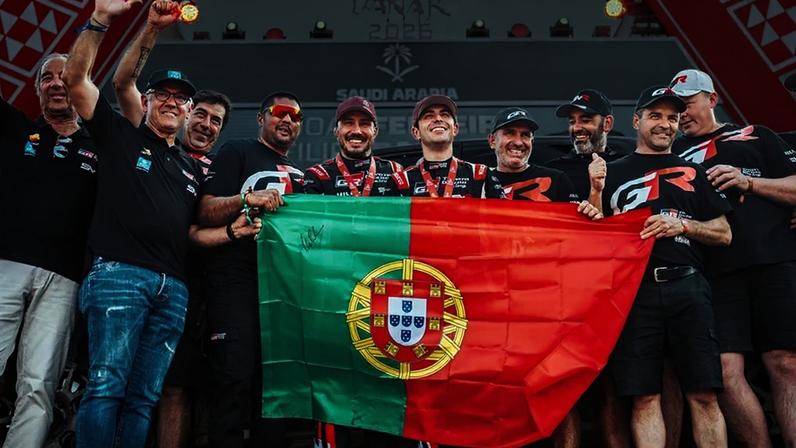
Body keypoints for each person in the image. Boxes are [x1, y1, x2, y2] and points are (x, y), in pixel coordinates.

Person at [62, 0, 211, 444]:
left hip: (174, 289)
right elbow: (77, 81)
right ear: (145, 102)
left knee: (144, 398)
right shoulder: (120, 136)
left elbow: (196, 229)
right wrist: (104, 20)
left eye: (180, 98)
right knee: (106, 387)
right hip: (119, 274)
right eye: (162, 94)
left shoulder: (191, 168)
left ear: (188, 112)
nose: (171, 102)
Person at [671, 68, 796, 447]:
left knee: (785, 361)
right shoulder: (670, 154)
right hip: (713, 274)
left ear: (712, 99)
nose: (681, 114)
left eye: (687, 104)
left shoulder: (756, 134)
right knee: (724, 372)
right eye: (675, 108)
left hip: (775, 261)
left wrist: (749, 182)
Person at [602, 86, 732, 447]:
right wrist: (595, 190)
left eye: (672, 118)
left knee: (704, 394)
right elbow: (592, 234)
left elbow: (724, 233)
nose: (665, 124)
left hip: (688, 287)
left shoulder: (694, 170)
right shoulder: (611, 173)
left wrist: (683, 226)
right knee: (644, 397)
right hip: (634, 294)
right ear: (636, 121)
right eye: (655, 116)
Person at [0, 52, 97, 448]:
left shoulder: (101, 146)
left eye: (65, 76)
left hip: (65, 279)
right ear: (37, 89)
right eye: (47, 78)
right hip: (5, 267)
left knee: (39, 381)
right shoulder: (15, 130)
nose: (56, 83)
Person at [197, 91, 305, 447]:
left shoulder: (303, 176)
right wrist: (246, 198)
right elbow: (205, 210)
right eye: (280, 112)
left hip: (282, 294)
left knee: (273, 394)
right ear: (261, 118)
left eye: (295, 116)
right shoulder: (237, 151)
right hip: (235, 284)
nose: (287, 120)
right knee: (232, 381)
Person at [488, 106, 600, 216]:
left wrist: (590, 209)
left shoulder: (557, 179)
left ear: (532, 142)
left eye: (525, 135)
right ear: (492, 141)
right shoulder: (481, 182)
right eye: (510, 133)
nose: (518, 142)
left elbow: (575, 224)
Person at [392, 95, 505, 198]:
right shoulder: (401, 181)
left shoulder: (480, 175)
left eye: (445, 115)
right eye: (428, 116)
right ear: (416, 132)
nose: (438, 119)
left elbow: (503, 213)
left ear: (455, 129)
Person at [304, 96, 401, 196]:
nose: (357, 131)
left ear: (375, 132)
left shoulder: (395, 172)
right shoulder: (317, 176)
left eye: (364, 124)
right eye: (348, 123)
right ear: (336, 131)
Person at [547, 89, 624, 203]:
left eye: (585, 120)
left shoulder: (625, 167)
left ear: (607, 124)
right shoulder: (553, 171)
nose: (576, 128)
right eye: (572, 122)